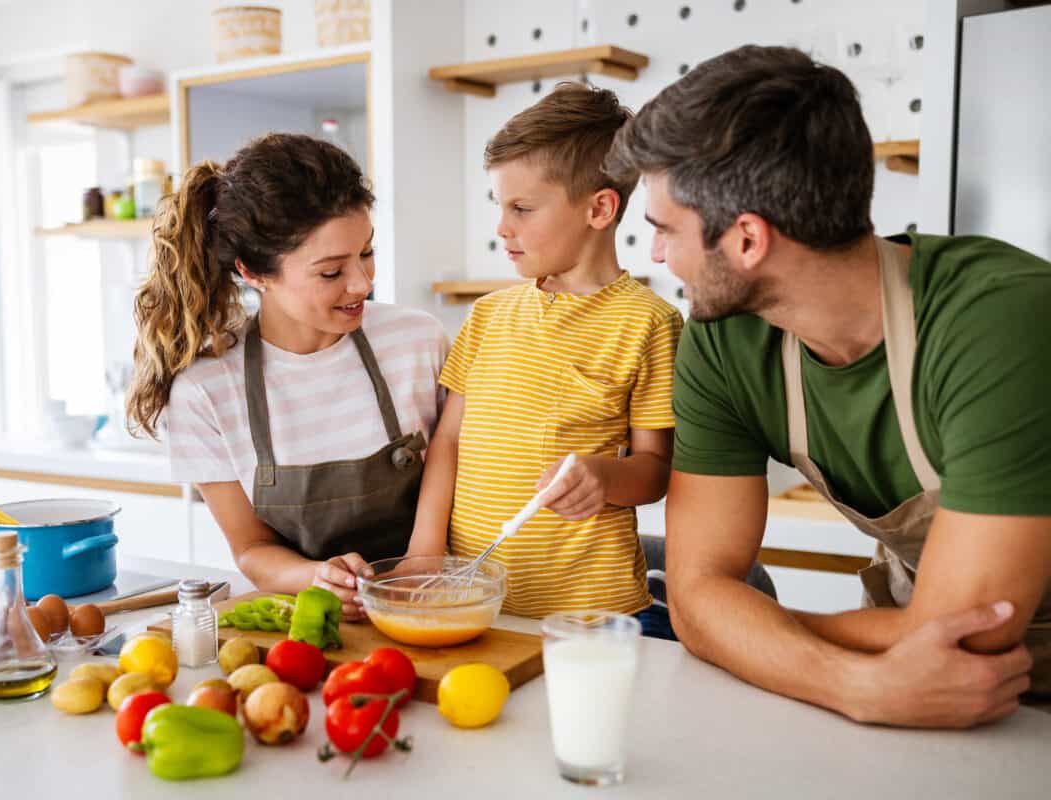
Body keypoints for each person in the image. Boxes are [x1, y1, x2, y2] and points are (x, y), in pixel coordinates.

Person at [604, 44, 1051, 727]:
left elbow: (973, 634)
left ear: (748, 239)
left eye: (664, 230)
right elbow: (696, 599)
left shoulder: (1002, 321)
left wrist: (755, 629)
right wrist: (858, 685)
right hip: (909, 673)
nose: (656, 256)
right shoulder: (722, 344)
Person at [126, 133, 447, 620]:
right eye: (330, 272)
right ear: (254, 272)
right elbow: (252, 548)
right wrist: (317, 578)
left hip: (436, 605)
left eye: (367, 253)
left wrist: (422, 563)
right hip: (313, 624)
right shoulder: (205, 392)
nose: (362, 283)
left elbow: (460, 459)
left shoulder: (417, 341)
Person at [407, 83, 682, 632]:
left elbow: (655, 471)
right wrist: (423, 553)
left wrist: (603, 476)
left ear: (600, 208)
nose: (502, 228)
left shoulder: (648, 323)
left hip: (592, 616)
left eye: (522, 208)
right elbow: (451, 440)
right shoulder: (488, 316)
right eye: (500, 207)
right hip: (475, 602)